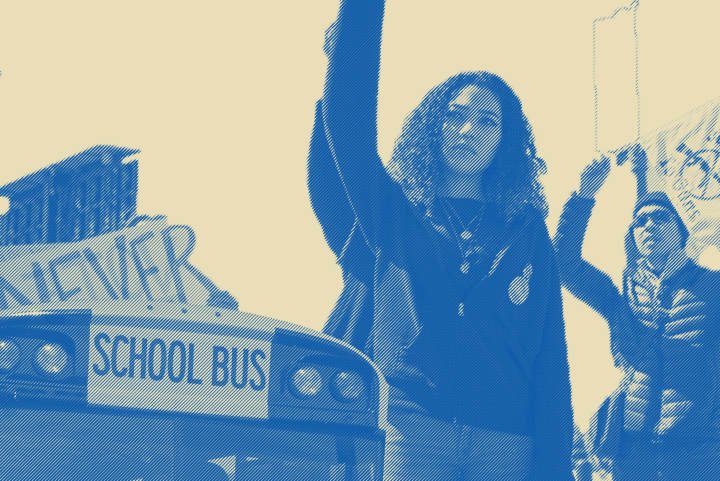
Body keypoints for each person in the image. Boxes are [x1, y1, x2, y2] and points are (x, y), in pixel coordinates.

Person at [309, 1, 574, 480]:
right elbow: (346, 128)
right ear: (435, 128)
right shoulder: (394, 213)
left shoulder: (527, 229)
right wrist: (358, 23)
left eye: (487, 121)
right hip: (412, 436)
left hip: (507, 444)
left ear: (504, 142)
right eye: (455, 116)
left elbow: (550, 355)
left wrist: (554, 466)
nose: (468, 129)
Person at [554, 150, 720, 480]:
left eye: (660, 218)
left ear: (682, 231)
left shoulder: (712, 287)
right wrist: (584, 195)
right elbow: (563, 262)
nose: (648, 225)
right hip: (631, 450)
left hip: (697, 449)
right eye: (640, 222)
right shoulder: (621, 298)